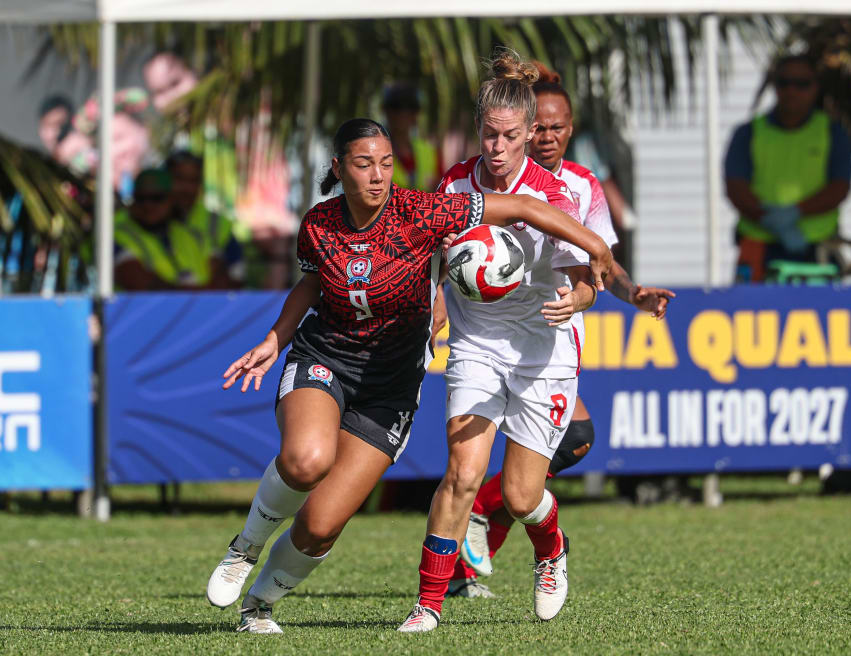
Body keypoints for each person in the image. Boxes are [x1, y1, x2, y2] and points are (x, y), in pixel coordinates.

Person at [204, 118, 611, 635]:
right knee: (308, 460)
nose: (378, 176)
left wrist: (595, 246)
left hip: (392, 386)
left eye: (386, 164)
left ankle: (257, 606)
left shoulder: (422, 211)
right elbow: (311, 284)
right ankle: (244, 549)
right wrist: (274, 338)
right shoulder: (319, 223)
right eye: (364, 164)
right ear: (338, 168)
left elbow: (526, 208)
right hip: (326, 357)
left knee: (321, 526)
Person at [445, 64, 675, 600]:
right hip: (485, 338)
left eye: (558, 128)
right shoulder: (472, 178)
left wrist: (633, 294)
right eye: (541, 127)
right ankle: (456, 568)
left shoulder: (579, 186)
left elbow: (600, 264)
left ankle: (484, 528)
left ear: (569, 130)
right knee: (470, 467)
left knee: (562, 449)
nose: (548, 136)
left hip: (549, 335)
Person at [396, 49, 607, 634]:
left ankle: (551, 547)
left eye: (510, 136)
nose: (497, 146)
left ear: (529, 134)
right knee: (462, 473)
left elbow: (587, 280)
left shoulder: (554, 194)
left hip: (543, 348)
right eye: (489, 134)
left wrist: (577, 301)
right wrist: (434, 306)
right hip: (477, 343)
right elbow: (439, 263)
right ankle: (428, 605)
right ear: (478, 129)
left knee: (519, 496)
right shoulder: (455, 184)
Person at [725, 53, 851, 283]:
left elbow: (840, 187)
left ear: (815, 87)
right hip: (759, 248)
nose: (791, 91)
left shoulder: (832, 133)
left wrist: (796, 212)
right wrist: (769, 219)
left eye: (802, 84)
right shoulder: (748, 133)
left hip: (817, 250)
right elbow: (736, 188)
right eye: (784, 83)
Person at [113, 168, 213, 291]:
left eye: (157, 198)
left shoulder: (193, 236)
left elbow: (222, 280)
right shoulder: (118, 235)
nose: (148, 205)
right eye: (141, 198)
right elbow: (137, 281)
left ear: (172, 199)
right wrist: (196, 295)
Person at [165, 150, 243, 288]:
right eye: (179, 179)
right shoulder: (151, 219)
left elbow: (237, 276)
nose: (186, 188)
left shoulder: (218, 222)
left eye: (193, 180)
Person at [382, 83, 442, 191]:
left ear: (416, 114)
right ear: (386, 112)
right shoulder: (374, 152)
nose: (403, 114)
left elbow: (444, 191)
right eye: (396, 107)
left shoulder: (430, 152)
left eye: (410, 108)